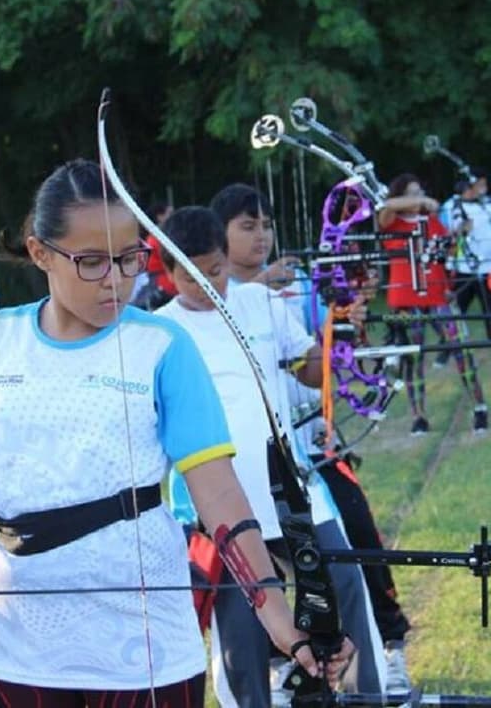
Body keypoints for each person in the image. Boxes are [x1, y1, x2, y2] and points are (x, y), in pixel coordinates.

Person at [0, 160, 349, 708]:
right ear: (40, 252)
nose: (116, 279)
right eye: (91, 262)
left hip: (143, 647)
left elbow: (218, 494)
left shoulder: (164, 347)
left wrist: (280, 621)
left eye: (128, 259)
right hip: (12, 639)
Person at [155, 207, 382, 707]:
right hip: (213, 509)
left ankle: (365, 697)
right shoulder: (156, 333)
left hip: (290, 489)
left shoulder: (260, 301)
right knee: (240, 626)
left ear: (225, 261)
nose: (203, 284)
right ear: (167, 271)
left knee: (343, 580)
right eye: (187, 274)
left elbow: (308, 369)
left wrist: (339, 332)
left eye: (213, 270)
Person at [209, 184, 411, 697]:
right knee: (247, 593)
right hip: (228, 489)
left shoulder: (292, 288)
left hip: (299, 467)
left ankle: (377, 665)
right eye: (248, 226)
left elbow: (318, 368)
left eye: (267, 225)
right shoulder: (190, 313)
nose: (262, 236)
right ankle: (283, 671)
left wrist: (342, 326)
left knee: (348, 552)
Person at [377, 174, 489, 436]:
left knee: (462, 350)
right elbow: (386, 206)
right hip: (405, 302)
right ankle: (418, 417)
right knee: (413, 358)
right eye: (411, 193)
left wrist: (458, 235)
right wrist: (424, 199)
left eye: (420, 192)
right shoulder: (390, 222)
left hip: (439, 297)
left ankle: (480, 408)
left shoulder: (431, 221)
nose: (417, 198)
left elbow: (445, 252)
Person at [438, 168, 491, 363]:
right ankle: (445, 353)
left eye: (484, 184)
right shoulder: (450, 206)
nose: (483, 188)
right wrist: (460, 230)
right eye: (479, 184)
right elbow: (444, 236)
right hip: (463, 268)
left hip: (490, 267)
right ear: (468, 187)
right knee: (455, 311)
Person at [131, 201, 176, 310]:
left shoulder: (160, 236)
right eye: (170, 213)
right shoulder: (156, 238)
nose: (173, 216)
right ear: (160, 217)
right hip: (160, 280)